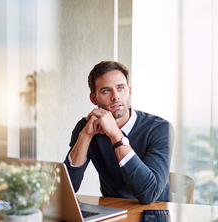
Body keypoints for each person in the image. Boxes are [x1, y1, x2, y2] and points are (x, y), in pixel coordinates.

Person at [64, 61, 174, 204]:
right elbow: (67, 189)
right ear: (93, 98)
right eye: (106, 91)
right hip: (113, 211)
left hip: (154, 213)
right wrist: (85, 136)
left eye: (120, 88)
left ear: (129, 91)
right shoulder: (86, 128)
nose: (116, 96)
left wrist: (116, 134)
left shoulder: (160, 129)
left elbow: (149, 194)